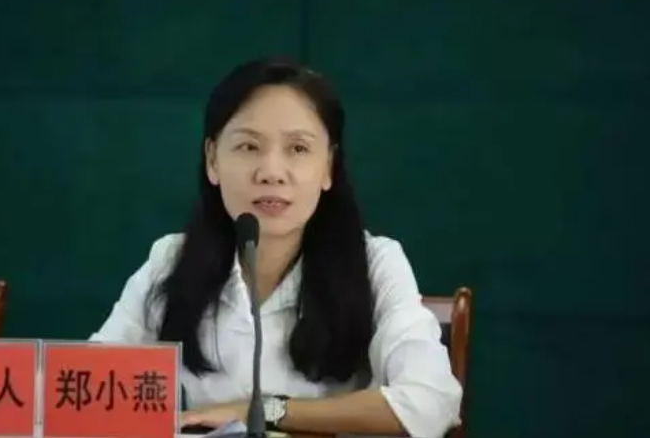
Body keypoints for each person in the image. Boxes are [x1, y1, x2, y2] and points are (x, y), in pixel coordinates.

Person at [90, 58, 462, 437]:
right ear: (212, 160)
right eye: (249, 146)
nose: (270, 172)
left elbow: (430, 403)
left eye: (298, 149)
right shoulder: (171, 260)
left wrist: (264, 410)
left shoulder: (376, 264)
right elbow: (89, 389)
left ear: (328, 167)